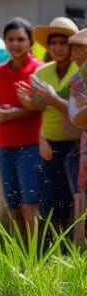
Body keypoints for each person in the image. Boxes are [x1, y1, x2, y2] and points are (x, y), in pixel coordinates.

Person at [0, 18, 44, 234]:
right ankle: (21, 252)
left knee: (31, 203)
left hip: (32, 144)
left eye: (21, 39)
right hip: (5, 146)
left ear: (30, 42)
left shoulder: (39, 70)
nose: (15, 44)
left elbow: (46, 107)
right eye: (11, 39)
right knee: (14, 205)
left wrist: (17, 112)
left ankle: (36, 257)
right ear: (4, 41)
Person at [22, 18, 80, 231]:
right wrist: (42, 139)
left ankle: (75, 252)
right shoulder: (41, 73)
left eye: (63, 43)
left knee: (75, 200)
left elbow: (79, 113)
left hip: (76, 144)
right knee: (50, 200)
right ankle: (54, 252)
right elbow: (38, 110)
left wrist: (53, 98)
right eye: (53, 43)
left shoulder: (80, 71)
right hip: (50, 144)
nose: (57, 48)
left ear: (73, 45)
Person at [57, 28, 87, 241]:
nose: (76, 54)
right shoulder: (76, 79)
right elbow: (76, 118)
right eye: (74, 49)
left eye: (81, 49)